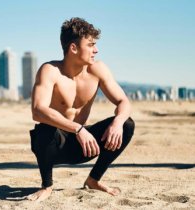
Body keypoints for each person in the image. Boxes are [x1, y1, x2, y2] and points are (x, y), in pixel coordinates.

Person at [27, 17, 135, 201]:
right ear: (74, 48)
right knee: (43, 130)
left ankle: (93, 180)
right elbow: (37, 110)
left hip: (84, 146)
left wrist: (117, 123)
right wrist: (78, 128)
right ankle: (47, 186)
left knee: (127, 124)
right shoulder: (50, 70)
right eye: (91, 44)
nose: (96, 50)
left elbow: (124, 101)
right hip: (54, 146)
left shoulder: (98, 70)